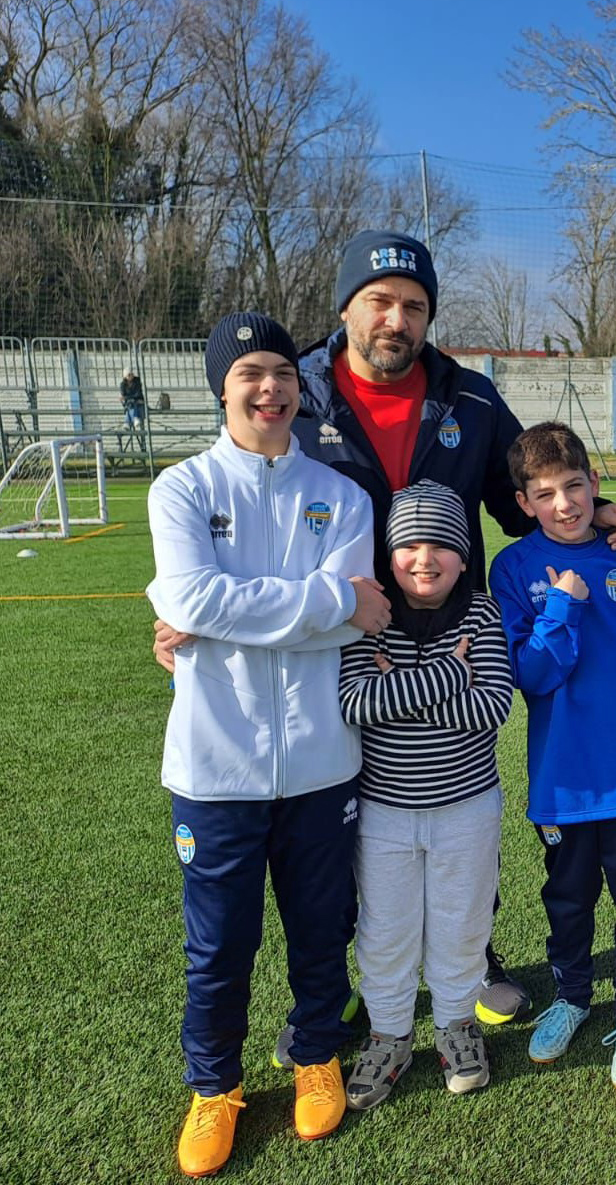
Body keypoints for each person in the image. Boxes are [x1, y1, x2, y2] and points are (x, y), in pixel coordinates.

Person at [153, 230, 616, 1040]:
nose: (396, 319)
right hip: (340, 643)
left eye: (414, 306)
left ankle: (472, 959)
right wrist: (194, 608)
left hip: (453, 631)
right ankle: (347, 986)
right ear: (346, 308)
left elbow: (520, 497)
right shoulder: (295, 392)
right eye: (379, 301)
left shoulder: (471, 398)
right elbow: (244, 514)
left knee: (456, 798)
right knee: (358, 822)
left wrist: (598, 520)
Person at [145, 313, 390, 1177]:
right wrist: (328, 602)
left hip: (324, 761)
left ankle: (316, 1055)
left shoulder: (343, 495)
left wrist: (227, 610)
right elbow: (195, 600)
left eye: (283, 373)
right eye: (250, 373)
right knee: (219, 946)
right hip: (215, 769)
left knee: (322, 929)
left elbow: (357, 614)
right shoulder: (181, 489)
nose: (270, 389)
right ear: (223, 387)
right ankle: (214, 1086)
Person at [489, 423, 616, 1091]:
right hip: (566, 779)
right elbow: (533, 675)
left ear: (595, 485)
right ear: (524, 503)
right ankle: (573, 996)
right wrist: (563, 608)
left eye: (574, 487)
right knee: (568, 899)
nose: (564, 504)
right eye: (546, 494)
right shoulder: (514, 568)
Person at [338, 479, 514, 1110]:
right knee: (384, 930)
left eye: (440, 545)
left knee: (462, 924)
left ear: (463, 557)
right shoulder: (369, 615)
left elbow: (491, 708)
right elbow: (356, 703)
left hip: (467, 806)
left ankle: (456, 1025)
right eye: (409, 546)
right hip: (383, 810)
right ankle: (389, 1033)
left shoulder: (481, 613)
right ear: (389, 556)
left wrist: (403, 690)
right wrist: (448, 673)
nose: (424, 559)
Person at [120, 369, 146, 443]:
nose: (131, 376)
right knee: (130, 403)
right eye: (128, 375)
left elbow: (138, 394)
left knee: (133, 402)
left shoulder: (137, 381)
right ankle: (135, 418)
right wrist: (127, 398)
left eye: (131, 374)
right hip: (129, 403)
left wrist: (127, 397)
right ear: (125, 377)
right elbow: (123, 395)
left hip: (138, 401)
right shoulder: (123, 384)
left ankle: (127, 422)